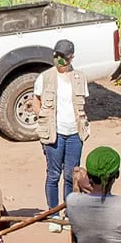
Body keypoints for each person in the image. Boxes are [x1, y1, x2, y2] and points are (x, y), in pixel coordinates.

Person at [34, 38, 89, 227]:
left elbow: (81, 105)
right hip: (54, 134)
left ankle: (69, 211)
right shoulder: (45, 77)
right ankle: (53, 214)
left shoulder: (79, 77)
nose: (58, 60)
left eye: (63, 57)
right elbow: (36, 102)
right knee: (53, 175)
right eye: (56, 55)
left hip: (75, 133)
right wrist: (43, 120)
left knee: (70, 175)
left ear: (71, 58)